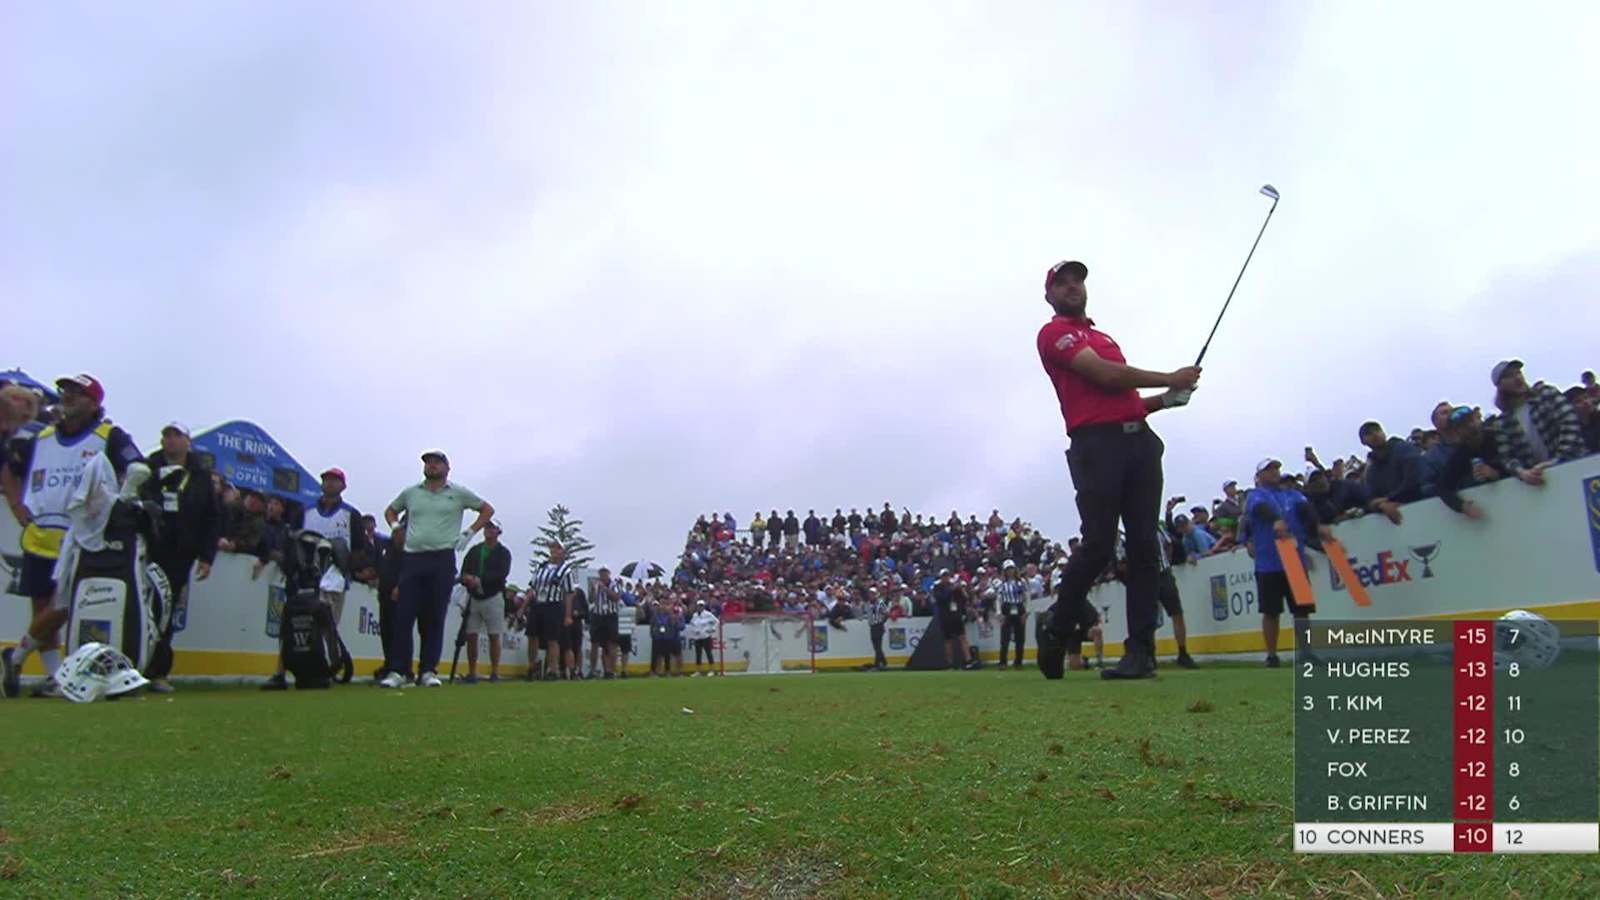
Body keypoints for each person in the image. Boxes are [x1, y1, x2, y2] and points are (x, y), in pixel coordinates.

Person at [1032, 260, 1201, 680]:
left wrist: (1166, 398)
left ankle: (1140, 652)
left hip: (1138, 441)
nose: (1073, 286)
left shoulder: (1103, 336)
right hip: (1097, 448)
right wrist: (1171, 375)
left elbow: (1123, 401)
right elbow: (1107, 378)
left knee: (1145, 546)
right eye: (1063, 282)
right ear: (1049, 295)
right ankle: (1057, 626)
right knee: (1099, 546)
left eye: (1078, 280)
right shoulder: (1054, 334)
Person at [2, 374, 142, 698]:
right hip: (40, 534)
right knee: (42, 610)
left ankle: (18, 655)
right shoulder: (41, 438)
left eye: (77, 393)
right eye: (65, 391)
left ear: (94, 403)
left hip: (81, 537)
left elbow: (136, 468)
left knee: (65, 604)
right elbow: (9, 468)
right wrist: (15, 503)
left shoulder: (111, 436)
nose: (68, 397)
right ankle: (55, 677)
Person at [379, 450, 493, 688]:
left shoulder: (458, 493)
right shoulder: (412, 493)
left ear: (446, 468)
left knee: (434, 616)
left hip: (442, 558)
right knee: (403, 615)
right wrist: (396, 527)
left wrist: (470, 532)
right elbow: (390, 510)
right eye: (428, 463)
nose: (431, 466)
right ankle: (399, 671)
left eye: (436, 463)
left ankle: (428, 670)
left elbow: (486, 510)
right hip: (412, 557)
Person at [138, 422, 220, 693]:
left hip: (179, 553)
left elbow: (212, 518)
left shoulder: (200, 476)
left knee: (165, 608)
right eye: (166, 435)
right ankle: (130, 664)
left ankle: (158, 670)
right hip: (146, 546)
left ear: (188, 442)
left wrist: (207, 556)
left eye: (176, 436)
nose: (170, 440)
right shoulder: (147, 469)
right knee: (137, 604)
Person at [1246, 458, 1333, 668]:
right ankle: (1272, 654)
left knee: (1301, 611)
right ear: (1259, 476)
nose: (1275, 472)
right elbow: (1260, 510)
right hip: (1269, 562)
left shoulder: (1293, 495)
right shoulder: (1256, 495)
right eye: (1269, 469)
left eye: (1277, 468)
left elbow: (1307, 512)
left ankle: (1306, 652)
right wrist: (1276, 519)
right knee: (1270, 611)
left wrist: (1317, 527)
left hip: (1294, 558)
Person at [1489, 360, 1585, 485]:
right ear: (1500, 386)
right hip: (1541, 480)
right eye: (1509, 376)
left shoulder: (1546, 394)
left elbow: (1570, 422)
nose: (1517, 378)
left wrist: (1557, 460)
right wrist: (1522, 473)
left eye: (1518, 373)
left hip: (1576, 465)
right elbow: (1507, 457)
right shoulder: (1502, 423)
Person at [458, 520, 511, 683]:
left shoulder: (503, 553)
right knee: (471, 635)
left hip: (493, 595)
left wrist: (479, 580)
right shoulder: (475, 551)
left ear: (498, 532)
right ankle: (472, 671)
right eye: (487, 527)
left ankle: (495, 671)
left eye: (492, 528)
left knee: (494, 635)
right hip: (474, 596)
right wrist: (467, 579)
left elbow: (501, 574)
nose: (488, 530)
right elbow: (464, 571)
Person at [1433, 406, 1505, 519]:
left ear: (1477, 419)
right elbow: (1442, 487)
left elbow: (1521, 462)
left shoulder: (1498, 436)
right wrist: (1462, 506)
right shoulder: (1461, 453)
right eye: (1462, 426)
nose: (1470, 427)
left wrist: (1496, 473)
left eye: (1470, 421)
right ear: (1456, 431)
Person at [521, 542, 576, 681]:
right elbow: (532, 588)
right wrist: (523, 607)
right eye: (552, 547)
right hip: (538, 604)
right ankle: (531, 666)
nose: (554, 550)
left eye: (557, 548)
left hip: (554, 605)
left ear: (563, 551)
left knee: (553, 638)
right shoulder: (541, 567)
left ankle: (553, 669)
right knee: (532, 636)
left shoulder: (566, 570)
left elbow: (569, 593)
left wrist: (568, 615)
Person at [1358, 421, 1423, 523]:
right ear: (1363, 442)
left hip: (1422, 506)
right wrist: (1381, 505)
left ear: (1383, 432)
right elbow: (1371, 499)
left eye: (1377, 430)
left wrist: (1388, 499)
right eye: (1369, 433)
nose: (1375, 435)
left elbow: (1415, 480)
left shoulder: (1404, 449)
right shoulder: (1371, 470)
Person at [1154, 524, 1197, 668]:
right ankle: (1148, 654)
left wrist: (1167, 562)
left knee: (1177, 612)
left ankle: (1183, 652)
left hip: (1163, 573)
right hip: (1147, 575)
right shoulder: (1136, 526)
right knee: (1148, 618)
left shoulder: (1157, 527)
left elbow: (1169, 543)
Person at [589, 567, 623, 679]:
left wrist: (605, 589)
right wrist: (594, 590)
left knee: (611, 644)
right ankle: (593, 670)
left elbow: (617, 597)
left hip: (610, 616)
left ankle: (610, 670)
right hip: (598, 615)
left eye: (604, 574)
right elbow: (591, 599)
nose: (602, 576)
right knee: (596, 644)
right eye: (601, 574)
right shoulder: (596, 584)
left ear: (608, 574)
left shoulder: (614, 585)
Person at [994, 560, 1028, 669]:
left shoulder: (1021, 582)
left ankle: (1018, 662)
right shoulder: (1001, 584)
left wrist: (1026, 612)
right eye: (1008, 569)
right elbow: (999, 599)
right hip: (1007, 608)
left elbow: (1027, 597)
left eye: (1011, 569)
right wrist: (999, 613)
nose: (1010, 571)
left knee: (1020, 638)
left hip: (1019, 607)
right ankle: (1003, 662)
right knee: (1005, 637)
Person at [686, 599, 719, 675]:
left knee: (708, 653)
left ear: (703, 607)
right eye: (699, 606)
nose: (700, 607)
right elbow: (692, 624)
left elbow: (716, 621)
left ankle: (712, 670)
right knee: (698, 654)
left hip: (706, 636)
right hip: (697, 637)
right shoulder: (695, 615)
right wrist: (694, 631)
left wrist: (712, 629)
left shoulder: (708, 614)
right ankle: (698, 671)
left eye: (701, 606)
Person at [563, 586, 588, 680]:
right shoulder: (562, 589)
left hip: (577, 621)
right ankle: (571, 670)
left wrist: (581, 614)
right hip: (566, 621)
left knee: (577, 647)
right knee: (568, 646)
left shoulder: (579, 591)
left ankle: (578, 670)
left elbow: (585, 607)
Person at [865, 589, 890, 670]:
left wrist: (882, 622)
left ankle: (878, 664)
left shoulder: (880, 602)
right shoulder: (868, 603)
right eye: (870, 594)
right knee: (876, 646)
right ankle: (883, 663)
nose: (871, 595)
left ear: (876, 594)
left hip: (878, 625)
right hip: (872, 626)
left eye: (873, 594)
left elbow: (886, 613)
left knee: (878, 646)